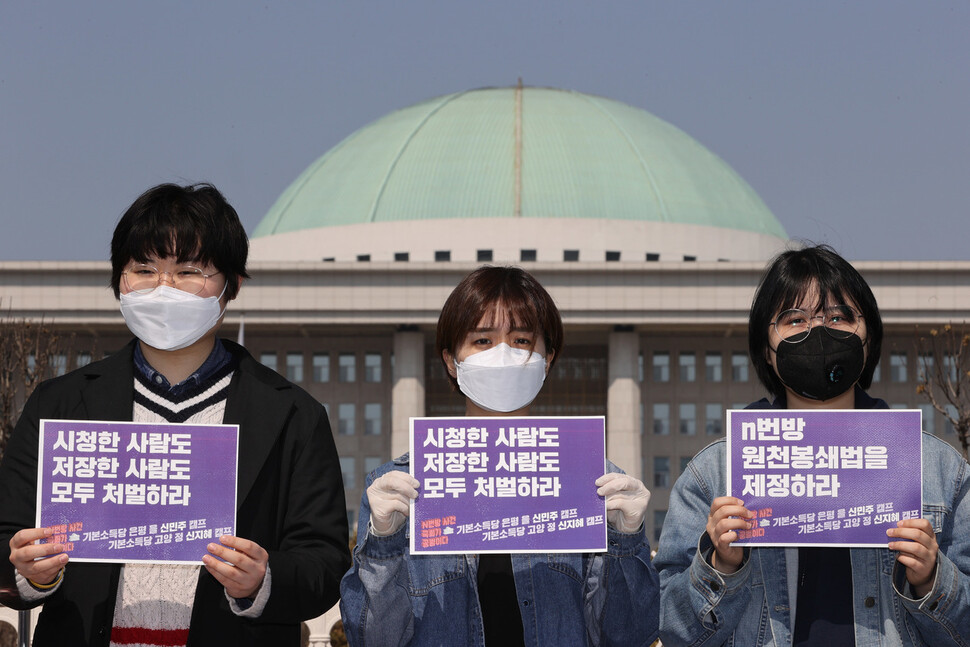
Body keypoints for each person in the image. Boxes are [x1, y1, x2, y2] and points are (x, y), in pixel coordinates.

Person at [0, 183, 350, 646]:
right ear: (118, 281)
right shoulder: (59, 405)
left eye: (188, 271)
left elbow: (324, 560)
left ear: (233, 284)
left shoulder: (292, 415)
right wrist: (31, 572)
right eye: (143, 269)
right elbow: (8, 534)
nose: (163, 288)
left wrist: (262, 580)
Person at [654, 244, 970, 646]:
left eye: (839, 316)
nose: (818, 331)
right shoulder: (714, 474)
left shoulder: (940, 469)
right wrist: (719, 564)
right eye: (794, 319)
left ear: (867, 338)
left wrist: (931, 580)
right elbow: (672, 629)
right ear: (766, 349)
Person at [339, 265, 660, 646]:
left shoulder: (592, 483)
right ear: (450, 361)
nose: (503, 354)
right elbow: (372, 638)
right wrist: (384, 541)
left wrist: (626, 539)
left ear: (548, 359)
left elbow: (628, 636)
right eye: (482, 341)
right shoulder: (399, 489)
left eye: (522, 340)